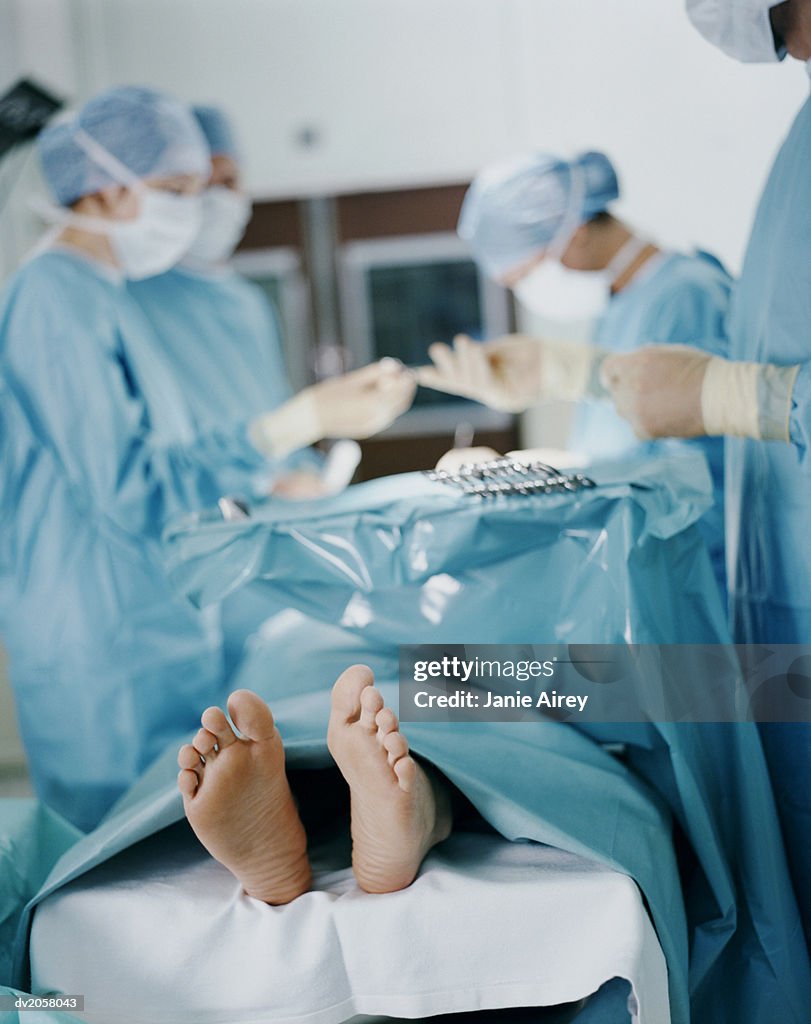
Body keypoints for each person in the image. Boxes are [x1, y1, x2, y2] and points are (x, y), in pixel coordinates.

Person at [0, 86, 415, 830]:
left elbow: (168, 462)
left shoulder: (105, 292)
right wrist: (289, 424)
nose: (191, 211)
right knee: (117, 858)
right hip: (101, 628)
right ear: (97, 189)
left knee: (181, 837)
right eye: (173, 191)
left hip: (153, 607)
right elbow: (131, 490)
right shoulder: (53, 296)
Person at [598, 0, 811, 946]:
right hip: (782, 635)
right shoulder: (799, 138)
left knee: (468, 686)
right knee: (463, 682)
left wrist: (741, 401)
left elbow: (746, 386)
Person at [417, 151, 730, 593]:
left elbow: (701, 483)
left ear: (576, 234)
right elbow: (618, 450)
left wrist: (553, 495)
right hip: (647, 571)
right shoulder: (617, 308)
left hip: (697, 576)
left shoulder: (688, 298)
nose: (528, 291)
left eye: (525, 274)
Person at [129, 104, 325, 502]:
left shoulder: (248, 303)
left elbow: (271, 406)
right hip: (197, 511)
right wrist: (252, 482)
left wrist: (305, 468)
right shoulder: (131, 299)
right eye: (201, 185)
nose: (217, 198)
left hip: (275, 510)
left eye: (229, 181)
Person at [176, 665, 452, 902]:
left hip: (295, 671)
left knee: (291, 674)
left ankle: (293, 806)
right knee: (454, 713)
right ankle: (428, 804)